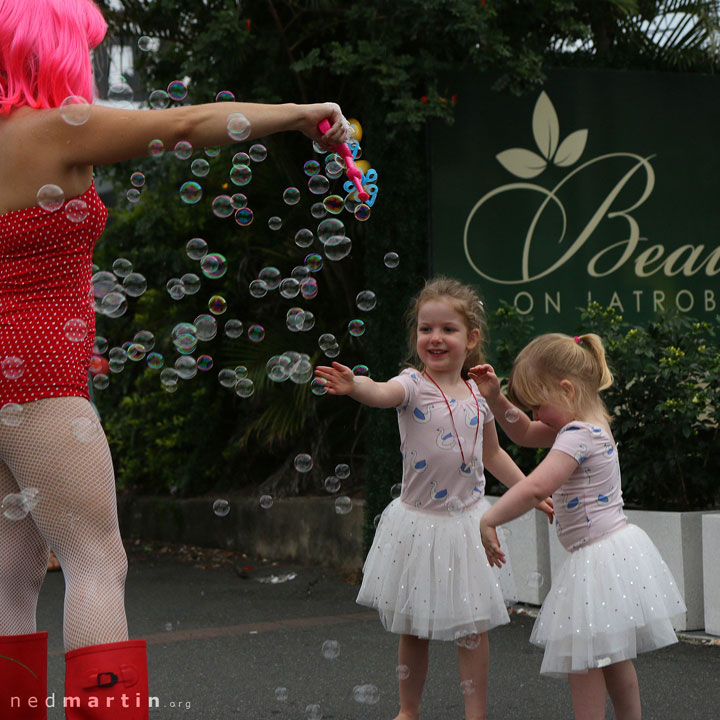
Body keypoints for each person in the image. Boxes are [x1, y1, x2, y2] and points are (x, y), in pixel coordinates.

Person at [0, 0, 350, 717]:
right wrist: (297, 112)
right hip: (37, 375)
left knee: (12, 572)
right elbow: (185, 125)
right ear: (59, 47)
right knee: (98, 561)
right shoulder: (57, 127)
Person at [315, 277, 552, 720]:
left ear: (471, 339)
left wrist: (529, 491)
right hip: (417, 525)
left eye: (448, 329)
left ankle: (475, 713)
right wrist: (357, 386)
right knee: (413, 626)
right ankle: (409, 710)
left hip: (467, 524)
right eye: (426, 329)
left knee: (473, 630)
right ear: (416, 337)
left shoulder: (480, 398)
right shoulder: (411, 385)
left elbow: (493, 454)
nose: (435, 338)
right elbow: (381, 392)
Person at [472, 333, 686, 720]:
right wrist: (496, 398)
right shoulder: (591, 423)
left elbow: (538, 485)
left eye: (537, 406)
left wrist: (490, 517)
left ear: (566, 390)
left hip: (596, 560)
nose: (536, 416)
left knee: (582, 661)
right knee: (614, 658)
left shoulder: (575, 435)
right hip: (614, 551)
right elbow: (521, 433)